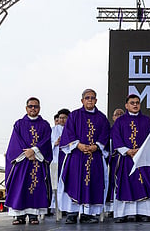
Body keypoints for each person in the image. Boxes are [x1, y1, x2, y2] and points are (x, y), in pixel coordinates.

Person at [58, 89, 110, 224]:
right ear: (82, 100)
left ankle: (88, 213)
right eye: (87, 98)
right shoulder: (74, 116)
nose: (90, 100)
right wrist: (78, 145)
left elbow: (105, 135)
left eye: (93, 98)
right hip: (76, 156)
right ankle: (72, 213)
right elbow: (68, 133)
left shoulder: (102, 118)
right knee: (73, 181)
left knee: (93, 183)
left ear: (96, 100)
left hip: (95, 157)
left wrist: (96, 146)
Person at [5, 97, 53, 225]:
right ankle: (19, 216)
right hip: (22, 162)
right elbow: (15, 141)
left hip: (37, 160)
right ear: (26, 108)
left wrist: (35, 151)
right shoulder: (19, 124)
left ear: (39, 108)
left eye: (36, 106)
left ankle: (33, 215)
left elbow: (47, 141)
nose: (33, 108)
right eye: (31, 106)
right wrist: (27, 153)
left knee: (36, 187)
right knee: (20, 187)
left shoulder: (45, 125)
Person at [111, 94, 150, 223]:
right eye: (132, 103)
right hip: (126, 158)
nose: (135, 105)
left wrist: (140, 151)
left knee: (144, 183)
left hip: (143, 158)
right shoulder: (120, 121)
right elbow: (115, 137)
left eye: (137, 102)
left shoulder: (147, 121)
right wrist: (127, 151)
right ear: (126, 105)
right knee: (125, 184)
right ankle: (125, 214)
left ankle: (145, 213)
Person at [50, 108, 70, 212]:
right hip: (56, 161)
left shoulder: (72, 129)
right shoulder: (53, 130)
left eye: (64, 118)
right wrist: (55, 143)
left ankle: (67, 207)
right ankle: (55, 207)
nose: (62, 120)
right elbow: (47, 143)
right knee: (55, 185)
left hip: (68, 161)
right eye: (60, 118)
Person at [105, 108, 125, 213]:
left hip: (125, 159)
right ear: (113, 118)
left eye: (121, 114)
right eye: (116, 114)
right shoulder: (110, 130)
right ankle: (111, 207)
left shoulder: (127, 129)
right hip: (113, 159)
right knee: (112, 181)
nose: (119, 116)